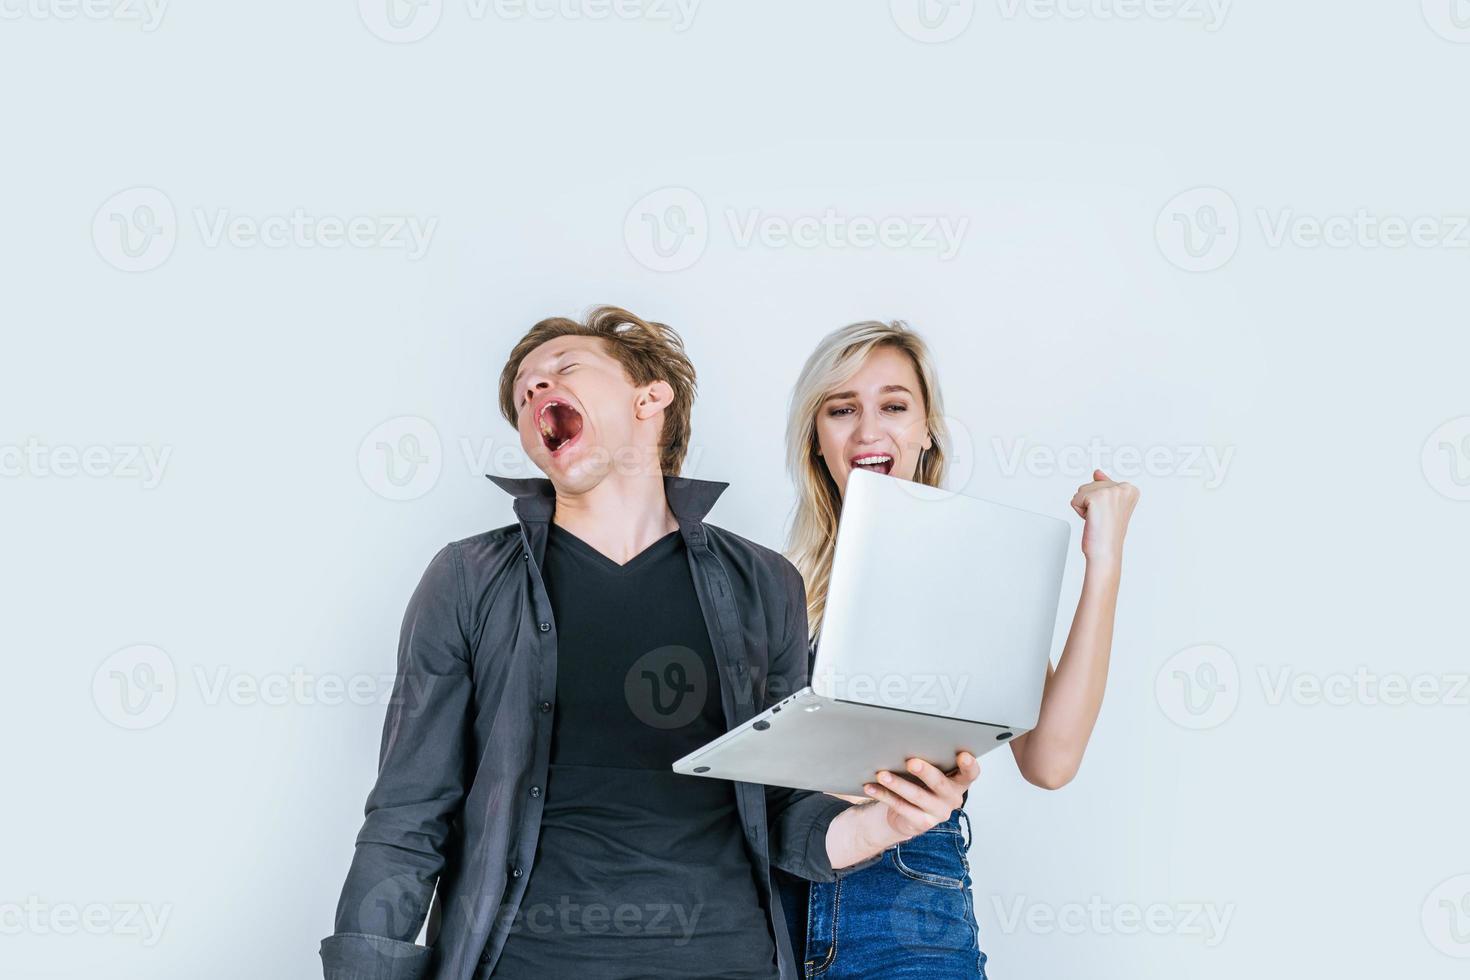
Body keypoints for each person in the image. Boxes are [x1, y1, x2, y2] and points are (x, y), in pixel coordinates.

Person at [319, 307, 981, 980]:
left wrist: (889, 823)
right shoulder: (467, 579)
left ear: (650, 397)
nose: (535, 391)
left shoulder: (764, 585)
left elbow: (785, 812)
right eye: (523, 394)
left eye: (565, 369)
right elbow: (407, 819)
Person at [775, 319, 1140, 978]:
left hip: (904, 903)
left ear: (927, 431)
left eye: (893, 406)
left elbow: (1050, 760)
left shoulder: (972, 567)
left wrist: (1103, 562)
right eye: (841, 409)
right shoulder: (772, 582)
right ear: (815, 436)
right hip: (764, 904)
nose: (867, 430)